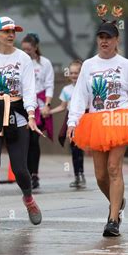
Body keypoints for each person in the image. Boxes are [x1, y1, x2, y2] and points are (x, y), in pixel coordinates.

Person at [67, 5, 128, 237]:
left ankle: (113, 218)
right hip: (96, 121)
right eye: (101, 37)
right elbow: (80, 96)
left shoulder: (126, 65)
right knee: (100, 175)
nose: (104, 41)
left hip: (121, 119)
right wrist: (72, 122)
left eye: (108, 37)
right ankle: (117, 201)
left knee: (114, 168)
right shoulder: (88, 65)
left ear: (117, 40)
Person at [0, 16, 43, 229]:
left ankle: (29, 200)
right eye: (6, 31)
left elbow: (30, 89)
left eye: (13, 31)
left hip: (17, 114)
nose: (11, 34)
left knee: (20, 168)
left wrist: (31, 115)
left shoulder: (23, 58)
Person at [21, 33, 55, 190]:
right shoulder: (19, 62)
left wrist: (47, 105)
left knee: (34, 140)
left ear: (35, 48)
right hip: (23, 104)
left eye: (29, 49)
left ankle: (34, 174)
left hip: (40, 104)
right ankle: (25, 173)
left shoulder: (45, 63)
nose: (26, 52)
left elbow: (49, 84)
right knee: (24, 141)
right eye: (23, 49)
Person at [49, 59, 86, 188]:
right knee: (74, 149)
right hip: (71, 119)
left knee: (80, 149)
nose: (74, 75)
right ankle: (78, 176)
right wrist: (50, 112)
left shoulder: (86, 87)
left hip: (85, 119)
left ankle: (81, 174)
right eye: (72, 73)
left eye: (77, 73)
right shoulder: (66, 89)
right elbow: (62, 106)